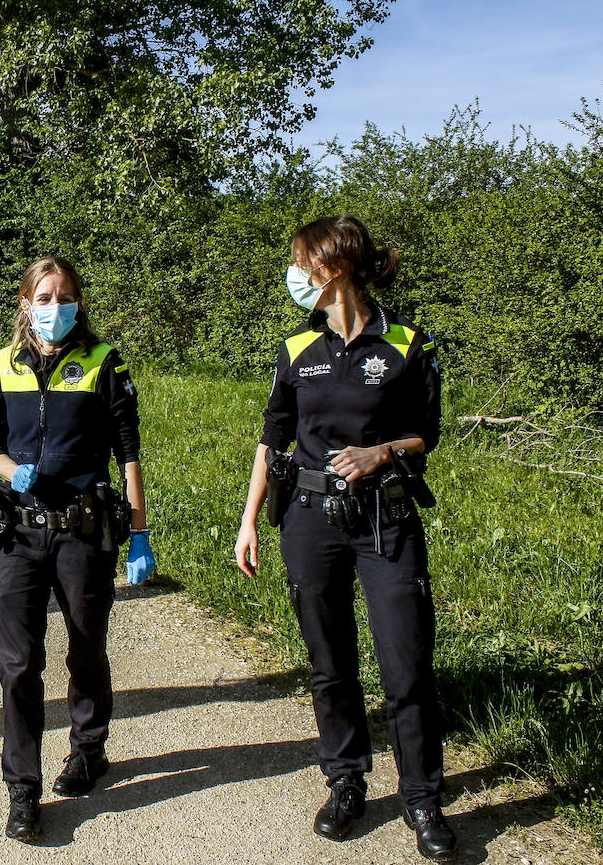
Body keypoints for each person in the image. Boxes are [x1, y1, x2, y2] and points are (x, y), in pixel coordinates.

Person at [233, 216, 456, 862]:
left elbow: (425, 434)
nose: (294, 274)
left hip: (384, 520)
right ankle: (346, 781)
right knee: (330, 665)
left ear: (333, 266)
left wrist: (379, 452)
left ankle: (422, 797)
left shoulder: (409, 345)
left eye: (301, 261)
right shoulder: (296, 350)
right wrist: (249, 520)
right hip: (307, 519)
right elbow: (272, 439)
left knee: (406, 665)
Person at [0, 255, 154, 843]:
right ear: (26, 302)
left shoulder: (103, 363)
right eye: (45, 297)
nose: (56, 308)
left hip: (83, 531)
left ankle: (88, 748)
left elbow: (128, 450)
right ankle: (22, 790)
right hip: (21, 532)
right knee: (19, 664)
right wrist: (12, 472)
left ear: (77, 302)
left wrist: (139, 531)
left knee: (86, 647)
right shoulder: (4, 364)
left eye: (66, 296)